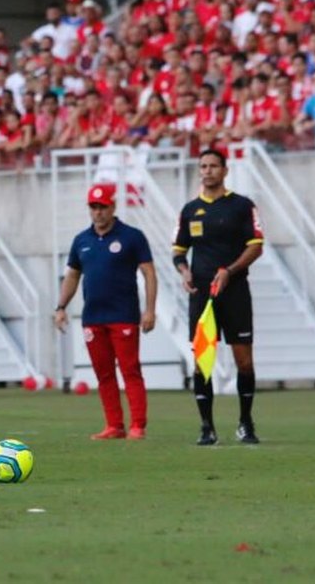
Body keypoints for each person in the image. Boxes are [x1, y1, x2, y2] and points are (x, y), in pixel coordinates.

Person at [172, 149, 264, 446]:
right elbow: (178, 251)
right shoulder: (189, 210)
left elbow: (256, 246)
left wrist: (230, 271)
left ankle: (245, 422)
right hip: (202, 296)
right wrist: (184, 271)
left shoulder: (241, 206)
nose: (208, 171)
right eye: (203, 166)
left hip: (235, 292)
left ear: (225, 171)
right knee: (202, 362)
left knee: (244, 361)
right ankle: (206, 426)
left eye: (213, 166)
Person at [54, 184, 157, 440]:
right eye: (94, 207)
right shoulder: (82, 240)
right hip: (93, 317)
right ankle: (114, 425)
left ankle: (138, 425)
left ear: (113, 207)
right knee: (104, 373)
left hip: (124, 315)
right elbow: (73, 276)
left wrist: (150, 310)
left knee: (130, 370)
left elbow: (149, 273)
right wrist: (61, 307)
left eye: (103, 207)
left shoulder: (132, 236)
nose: (98, 212)